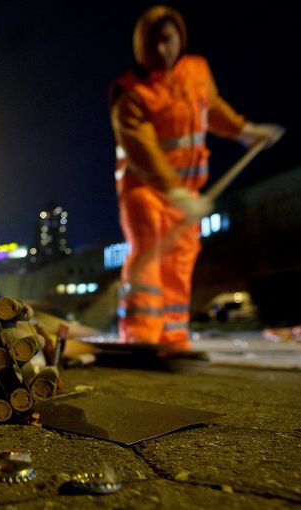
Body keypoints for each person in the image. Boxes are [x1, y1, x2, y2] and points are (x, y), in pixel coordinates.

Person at [109, 5, 283, 351]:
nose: (162, 49)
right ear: (141, 45)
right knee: (149, 255)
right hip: (144, 189)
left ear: (180, 38)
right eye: (153, 43)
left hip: (188, 192)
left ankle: (173, 335)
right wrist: (174, 190)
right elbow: (142, 149)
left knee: (180, 259)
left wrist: (245, 131)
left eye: (168, 40)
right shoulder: (129, 91)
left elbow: (211, 107)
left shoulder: (197, 71)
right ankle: (141, 335)